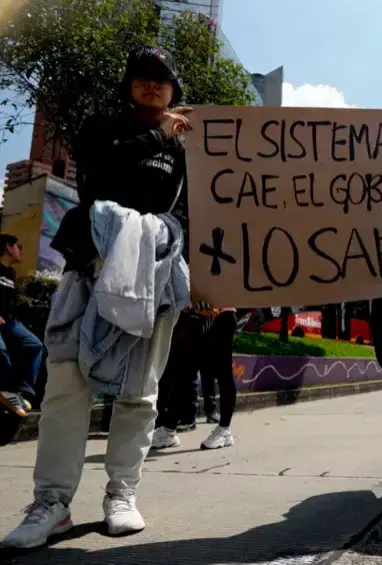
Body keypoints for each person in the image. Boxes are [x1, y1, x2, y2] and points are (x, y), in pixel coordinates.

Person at [3, 45, 193, 549]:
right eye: (144, 76)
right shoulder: (102, 127)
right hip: (88, 265)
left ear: (175, 88)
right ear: (130, 83)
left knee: (140, 390)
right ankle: (51, 503)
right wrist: (158, 135)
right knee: (65, 382)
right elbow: (99, 176)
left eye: (163, 79)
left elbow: (208, 208)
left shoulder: (190, 143)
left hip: (155, 277)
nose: (153, 85)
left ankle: (122, 493)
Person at [152, 306, 238, 450]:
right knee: (184, 374)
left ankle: (224, 429)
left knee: (223, 373)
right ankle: (168, 430)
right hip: (195, 317)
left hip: (222, 314)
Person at [0, 234, 43, 418]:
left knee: (34, 345)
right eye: (19, 246)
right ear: (8, 248)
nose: (21, 251)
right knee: (2, 352)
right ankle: (5, 391)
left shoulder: (11, 273)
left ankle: (22, 392)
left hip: (8, 322)